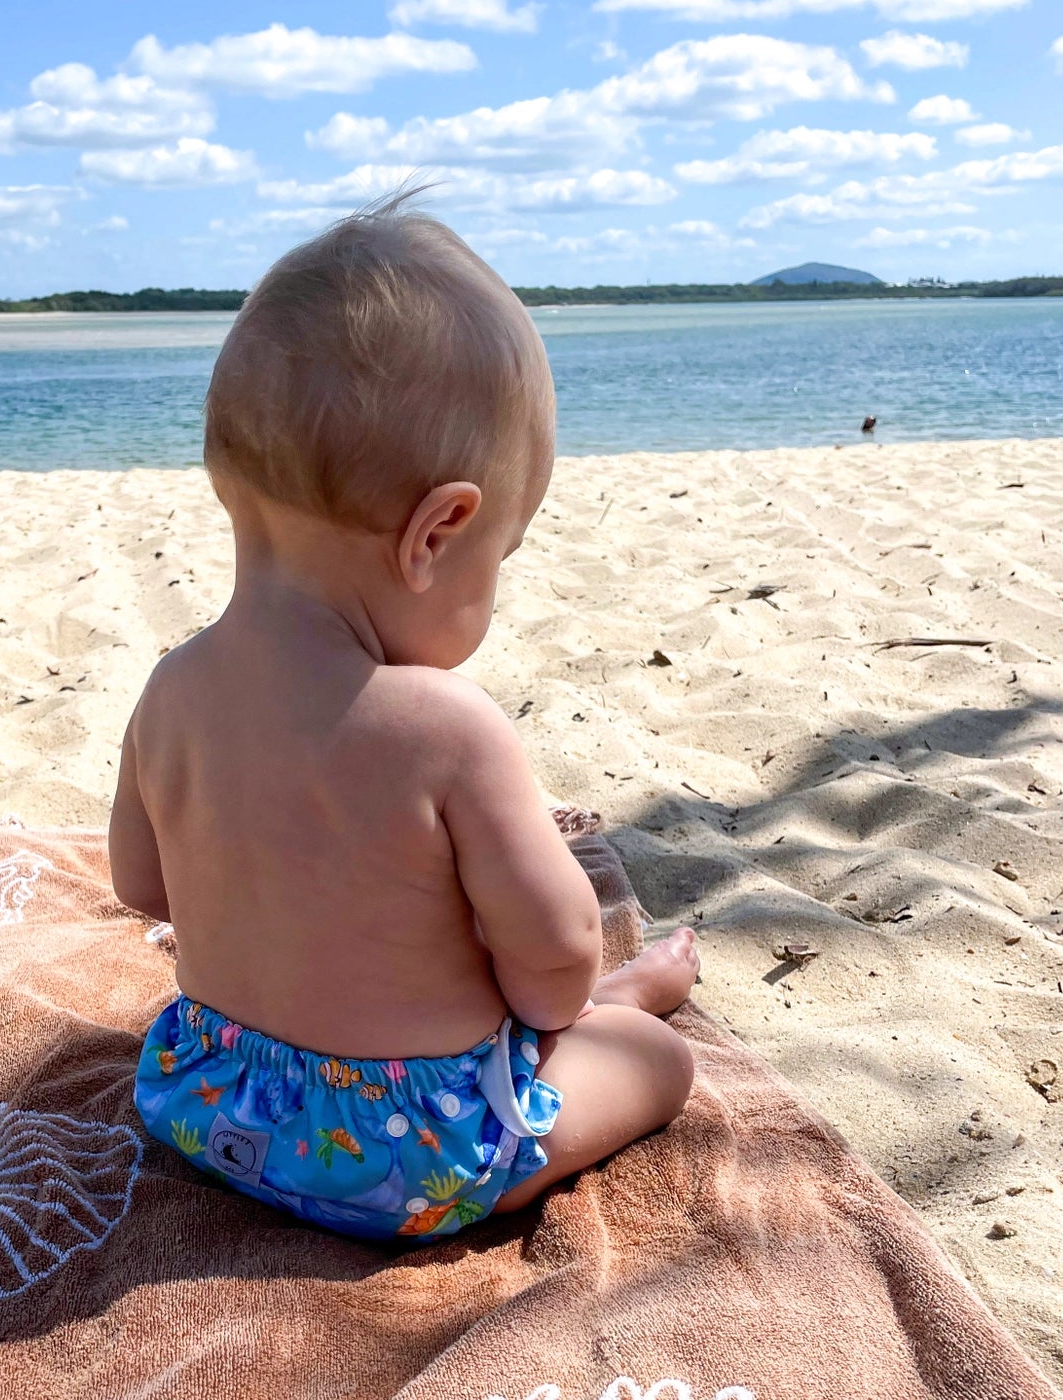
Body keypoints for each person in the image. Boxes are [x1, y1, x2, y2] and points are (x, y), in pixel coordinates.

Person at [115, 192, 699, 1242]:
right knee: (656, 1061)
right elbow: (554, 970)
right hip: (400, 1162)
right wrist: (577, 992)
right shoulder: (444, 728)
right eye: (498, 559)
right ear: (437, 532)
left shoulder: (172, 687)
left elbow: (140, 882)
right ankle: (637, 1010)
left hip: (201, 1107)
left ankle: (625, 1003)